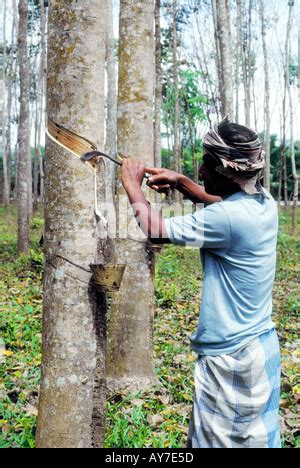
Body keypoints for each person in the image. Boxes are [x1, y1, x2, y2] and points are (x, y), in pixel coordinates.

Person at [120, 116, 281, 449]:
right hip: (260, 345)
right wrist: (180, 182)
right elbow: (222, 203)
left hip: (231, 357)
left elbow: (156, 231)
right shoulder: (264, 203)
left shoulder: (226, 219)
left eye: (206, 164)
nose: (201, 171)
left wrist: (132, 184)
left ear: (224, 172)